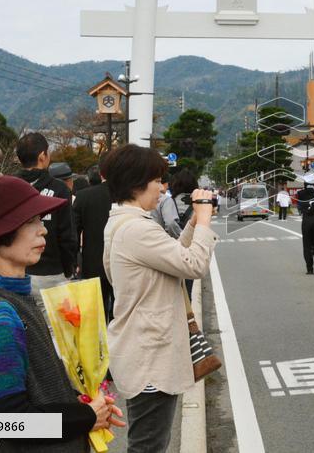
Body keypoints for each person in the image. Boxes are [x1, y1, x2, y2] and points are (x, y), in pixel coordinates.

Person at [0, 176, 126, 450]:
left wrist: (73, 404)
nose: (43, 231)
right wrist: (86, 417)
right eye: (31, 222)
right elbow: (9, 422)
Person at [102, 144, 218, 452]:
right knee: (149, 446)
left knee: (149, 442)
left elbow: (174, 257)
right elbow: (193, 265)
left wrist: (194, 223)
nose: (161, 187)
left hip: (142, 349)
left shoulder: (121, 224)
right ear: (137, 182)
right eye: (157, 180)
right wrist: (205, 218)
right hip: (150, 356)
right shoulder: (137, 230)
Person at [13, 132, 78, 299]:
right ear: (42, 156)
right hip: (52, 273)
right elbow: (67, 235)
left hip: (15, 272)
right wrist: (69, 268)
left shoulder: (9, 187)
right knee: (54, 325)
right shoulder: (59, 189)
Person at [72, 154, 115, 321]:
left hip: (93, 263)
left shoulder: (84, 196)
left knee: (95, 315)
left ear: (101, 173)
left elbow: (73, 232)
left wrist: (74, 261)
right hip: (125, 263)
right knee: (122, 315)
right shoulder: (129, 195)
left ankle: (100, 346)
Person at [297, 173, 314, 274]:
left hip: (306, 220)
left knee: (307, 245)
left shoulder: (301, 193)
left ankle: (309, 268)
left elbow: (300, 207)